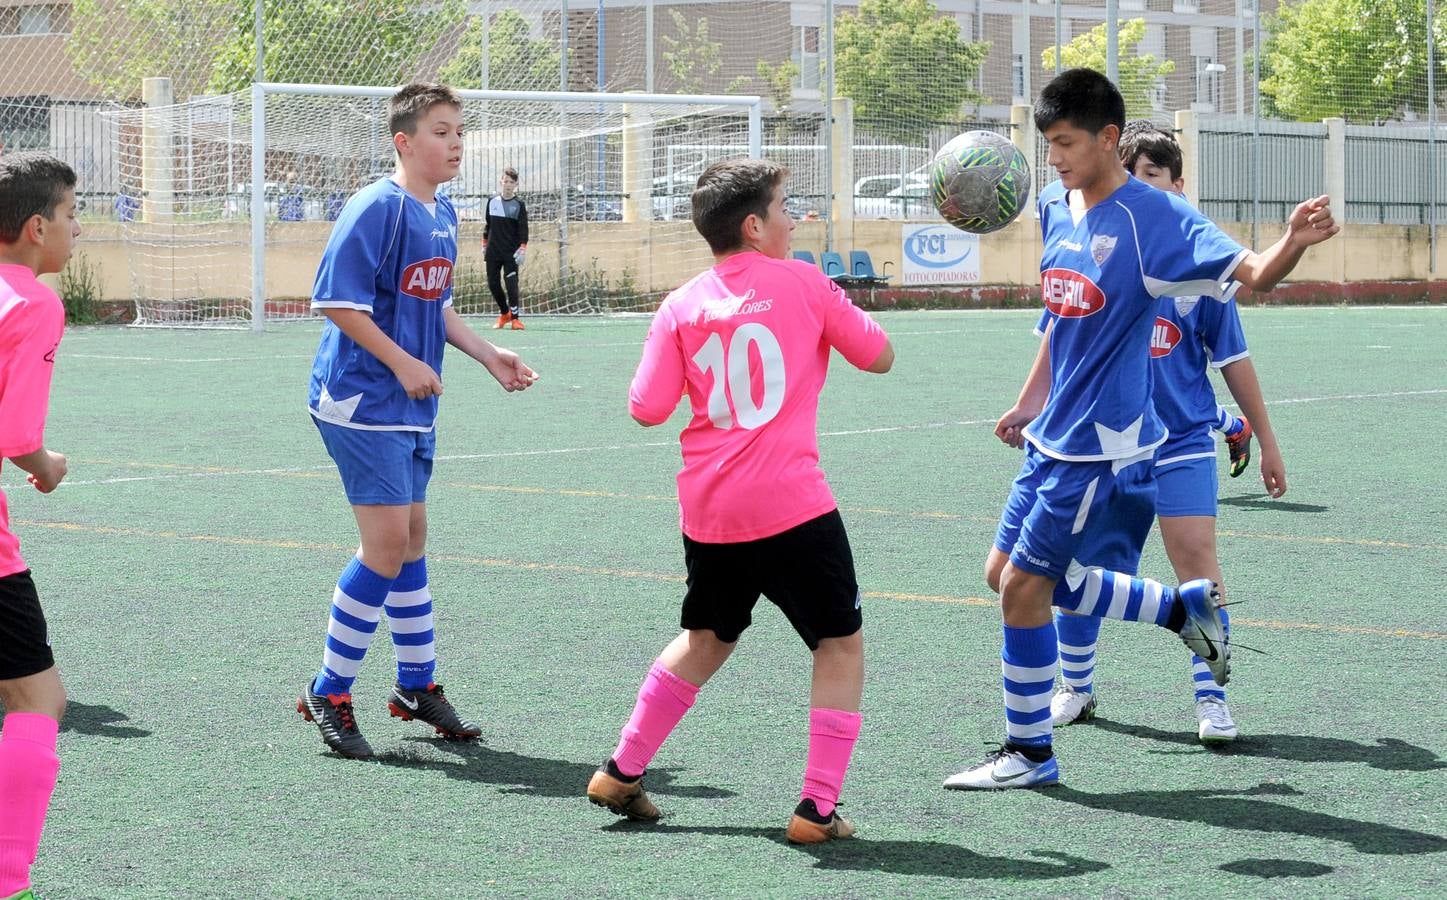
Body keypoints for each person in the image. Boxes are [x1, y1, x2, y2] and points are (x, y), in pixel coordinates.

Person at [944, 69, 1337, 790]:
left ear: (1107, 138)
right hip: (1050, 437)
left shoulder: (1154, 218)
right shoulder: (1055, 208)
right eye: (1046, 145)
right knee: (1000, 576)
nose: (1055, 157)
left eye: (1065, 143)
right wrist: (1029, 399)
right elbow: (1059, 321)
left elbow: (1253, 274)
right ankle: (1176, 609)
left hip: (1100, 446)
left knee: (1024, 593)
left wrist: (1292, 241)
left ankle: (1028, 754)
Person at [585, 159, 894, 843]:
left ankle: (621, 768)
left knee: (707, 637)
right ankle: (816, 808)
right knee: (838, 645)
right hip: (790, 506)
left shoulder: (680, 304)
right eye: (786, 207)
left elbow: (646, 408)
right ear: (753, 226)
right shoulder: (806, 283)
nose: (795, 218)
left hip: (710, 512)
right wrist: (827, 311)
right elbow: (878, 355)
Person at [297, 83, 539, 760]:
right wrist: (403, 362)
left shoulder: (446, 212)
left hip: (407, 404)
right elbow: (335, 303)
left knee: (412, 537)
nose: (455, 142)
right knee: (384, 545)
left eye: (459, 130)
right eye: (440, 131)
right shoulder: (376, 206)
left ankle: (415, 685)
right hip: (359, 401)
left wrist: (490, 355)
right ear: (404, 141)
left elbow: (435, 306)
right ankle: (329, 690)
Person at [1046, 121, 1288, 744]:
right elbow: (1056, 344)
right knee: (1081, 566)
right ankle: (1076, 684)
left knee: (1198, 564)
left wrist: (1266, 439)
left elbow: (1234, 360)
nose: (1142, 188)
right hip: (1105, 447)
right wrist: (1035, 411)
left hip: (1179, 444)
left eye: (1154, 176)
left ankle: (1213, 699)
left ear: (1177, 186)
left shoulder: (1201, 275)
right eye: (1134, 175)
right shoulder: (1097, 249)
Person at [0, 152, 81, 900]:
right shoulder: (31, 301)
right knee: (37, 700)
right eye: (69, 215)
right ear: (34, 228)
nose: (76, 230)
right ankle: (6, 877)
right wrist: (47, 466)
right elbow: (17, 431)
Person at [483, 167, 528, 330]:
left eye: (511, 182)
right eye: (505, 181)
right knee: (493, 284)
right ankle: (504, 313)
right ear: (501, 182)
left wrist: (523, 248)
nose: (508, 185)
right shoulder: (492, 201)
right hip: (493, 251)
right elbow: (488, 225)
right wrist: (484, 244)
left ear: (516, 184)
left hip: (511, 252)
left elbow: (523, 228)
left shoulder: (518, 205)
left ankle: (515, 319)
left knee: (511, 285)